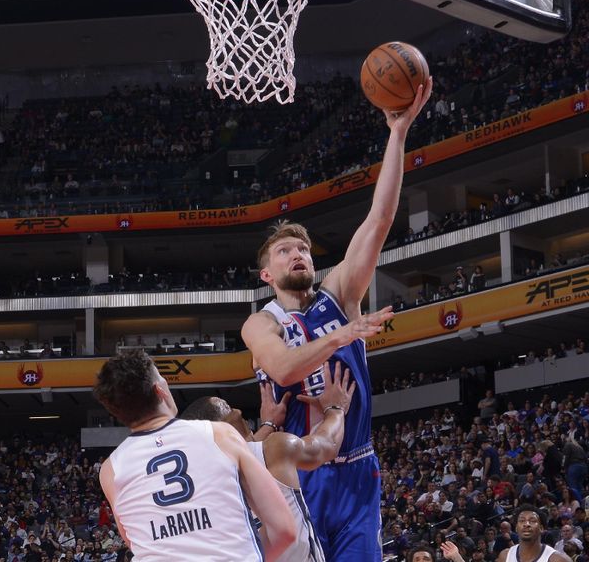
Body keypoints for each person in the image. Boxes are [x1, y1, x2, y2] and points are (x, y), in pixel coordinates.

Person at [242, 80, 433, 561]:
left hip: (357, 469)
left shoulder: (340, 296)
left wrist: (398, 134)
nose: (298, 254)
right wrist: (345, 336)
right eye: (285, 250)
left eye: (303, 248)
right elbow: (284, 368)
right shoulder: (259, 324)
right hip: (296, 472)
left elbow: (380, 218)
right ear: (268, 273)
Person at [92, 350, 295, 561]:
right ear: (159, 391)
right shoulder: (220, 434)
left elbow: (136, 541)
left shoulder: (110, 470)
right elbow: (284, 530)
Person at [181, 361, 355, 562]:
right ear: (225, 426)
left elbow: (239, 449)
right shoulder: (274, 449)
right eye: (227, 407)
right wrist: (336, 408)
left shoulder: (197, 487)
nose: (237, 410)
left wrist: (269, 424)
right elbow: (327, 445)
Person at [497, 505, 573, 562]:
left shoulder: (557, 559)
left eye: (532, 521)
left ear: (541, 528)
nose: (526, 524)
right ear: (516, 528)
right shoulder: (505, 556)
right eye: (522, 520)